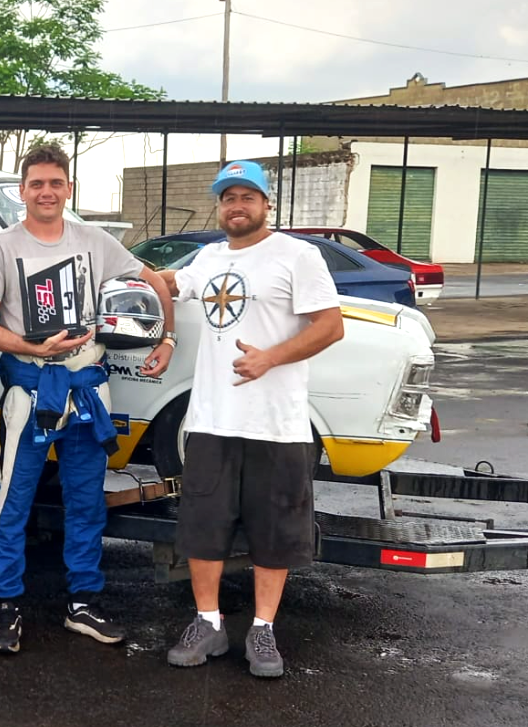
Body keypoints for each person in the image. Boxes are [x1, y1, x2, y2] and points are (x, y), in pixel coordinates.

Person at [0, 143, 176, 654]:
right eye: (36, 183)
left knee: (86, 502)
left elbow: (152, 279)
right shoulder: (0, 247)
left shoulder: (94, 241)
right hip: (32, 389)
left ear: (69, 189)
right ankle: (5, 605)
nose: (45, 191)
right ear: (22, 191)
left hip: (86, 388)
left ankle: (83, 603)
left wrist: (166, 338)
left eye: (55, 183)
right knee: (12, 500)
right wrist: (31, 346)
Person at [159, 160, 344, 678]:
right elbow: (174, 284)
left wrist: (270, 357)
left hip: (276, 423)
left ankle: (263, 631)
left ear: (267, 204)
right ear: (219, 207)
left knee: (275, 530)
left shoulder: (297, 255)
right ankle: (208, 623)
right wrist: (137, 274)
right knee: (202, 527)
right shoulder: (210, 255)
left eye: (246, 197)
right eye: (227, 198)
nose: (236, 206)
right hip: (213, 419)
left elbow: (330, 327)